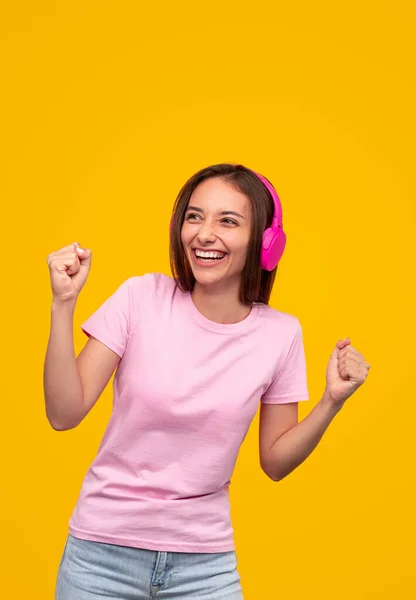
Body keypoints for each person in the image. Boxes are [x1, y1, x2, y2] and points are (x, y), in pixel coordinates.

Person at [44, 163, 370, 599]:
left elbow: (274, 462)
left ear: (265, 244)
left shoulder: (281, 334)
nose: (203, 233)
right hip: (102, 556)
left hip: (205, 566)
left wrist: (332, 401)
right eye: (194, 216)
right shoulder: (141, 298)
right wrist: (63, 305)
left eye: (227, 221)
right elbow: (63, 414)